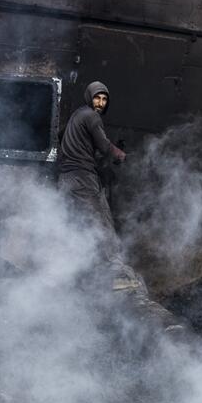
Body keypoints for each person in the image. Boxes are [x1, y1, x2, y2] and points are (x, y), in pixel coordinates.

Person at [56, 81, 136, 289]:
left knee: (74, 224)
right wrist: (120, 155)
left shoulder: (77, 115)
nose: (100, 103)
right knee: (102, 222)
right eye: (97, 98)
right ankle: (118, 275)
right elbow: (104, 145)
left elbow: (60, 135)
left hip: (65, 179)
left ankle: (67, 273)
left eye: (103, 99)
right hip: (83, 178)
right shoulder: (92, 117)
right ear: (89, 98)